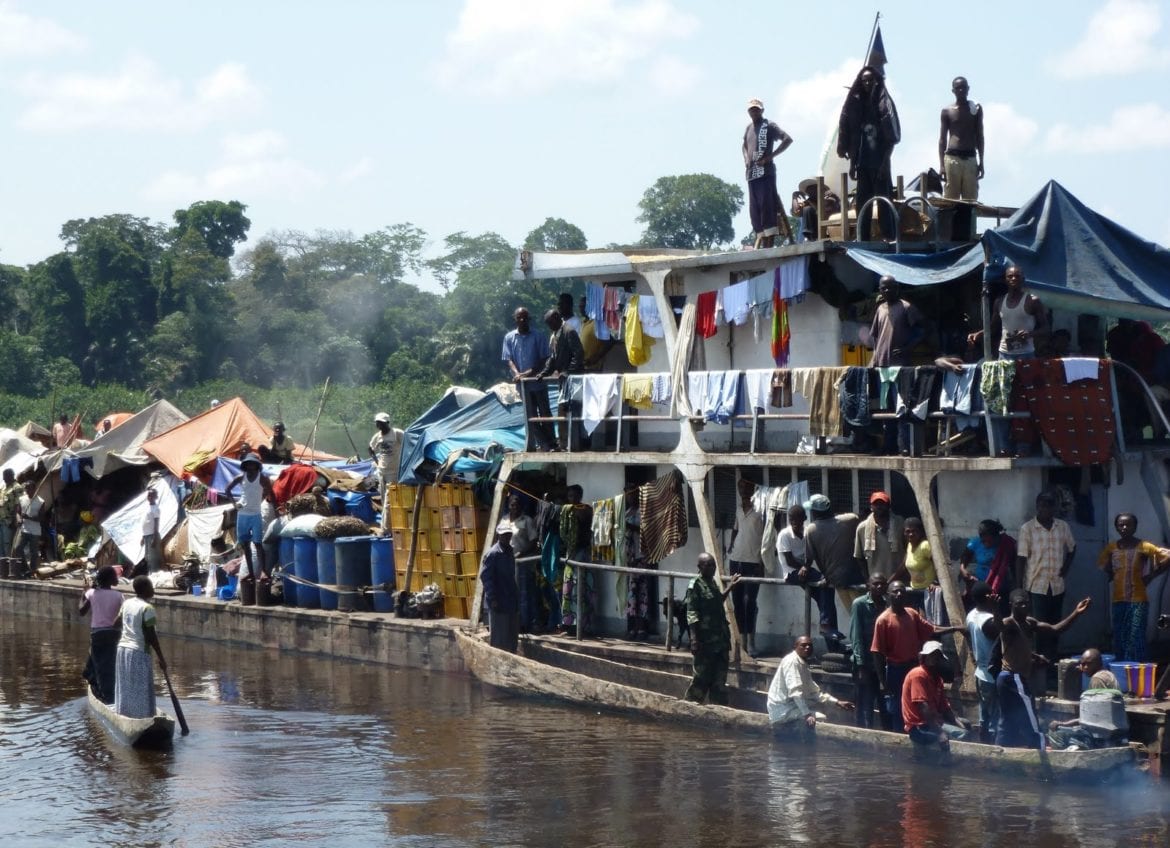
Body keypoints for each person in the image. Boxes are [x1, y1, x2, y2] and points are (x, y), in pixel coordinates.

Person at [993, 589, 1091, 748]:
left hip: (1009, 679)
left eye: (1026, 603)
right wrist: (994, 609)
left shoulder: (1029, 623)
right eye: (1019, 604)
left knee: (1007, 719)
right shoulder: (1009, 623)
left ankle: (1000, 751)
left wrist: (1076, 612)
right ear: (1011, 605)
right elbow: (999, 626)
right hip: (1013, 677)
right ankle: (1040, 749)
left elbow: (1055, 629)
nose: (1024, 606)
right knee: (1030, 716)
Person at [871, 580, 964, 732]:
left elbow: (931, 629)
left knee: (918, 705)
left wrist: (955, 628)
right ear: (888, 595)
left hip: (913, 666)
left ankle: (923, 738)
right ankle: (899, 739)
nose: (899, 594)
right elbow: (877, 653)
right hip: (896, 669)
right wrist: (882, 681)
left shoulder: (911, 614)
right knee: (898, 708)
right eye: (895, 591)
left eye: (902, 590)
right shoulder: (883, 620)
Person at [864, 276, 930, 453]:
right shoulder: (880, 309)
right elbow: (876, 337)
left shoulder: (906, 307)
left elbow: (922, 330)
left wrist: (907, 347)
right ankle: (888, 446)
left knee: (901, 406)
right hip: (882, 367)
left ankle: (905, 446)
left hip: (900, 367)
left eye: (890, 288)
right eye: (883, 288)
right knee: (886, 408)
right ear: (880, 290)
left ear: (897, 288)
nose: (887, 291)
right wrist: (873, 360)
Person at [837, 65, 900, 239]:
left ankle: (888, 236)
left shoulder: (884, 104)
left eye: (870, 80)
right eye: (864, 80)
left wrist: (884, 164)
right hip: (862, 163)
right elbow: (852, 137)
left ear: (877, 81)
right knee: (862, 203)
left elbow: (891, 139)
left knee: (883, 202)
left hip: (880, 162)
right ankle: (862, 236)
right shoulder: (858, 105)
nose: (867, 83)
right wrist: (852, 164)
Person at [1097, 512, 1170, 661]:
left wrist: (1151, 575)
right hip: (1118, 600)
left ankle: (1139, 669)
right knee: (1119, 634)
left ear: (1135, 527)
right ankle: (1122, 668)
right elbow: (1104, 564)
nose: (1124, 527)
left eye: (1128, 524)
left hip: (1138, 600)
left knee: (1136, 635)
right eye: (1120, 525)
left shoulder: (1144, 546)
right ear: (1116, 527)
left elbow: (1167, 556)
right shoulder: (1111, 548)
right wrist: (1113, 574)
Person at [1017, 491, 1076, 665]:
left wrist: (1066, 567)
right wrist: (1019, 588)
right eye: (1043, 505)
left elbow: (1072, 548)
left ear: (1055, 508)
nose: (1046, 509)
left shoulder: (1062, 526)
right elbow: (1021, 558)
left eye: (1050, 505)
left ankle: (1051, 661)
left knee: (1056, 625)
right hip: (1036, 586)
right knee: (1039, 627)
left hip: (1057, 586)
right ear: (1037, 507)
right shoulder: (1027, 528)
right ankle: (1039, 661)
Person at [683, 552, 739, 705]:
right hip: (705, 641)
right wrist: (694, 640)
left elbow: (717, 600)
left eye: (713, 564)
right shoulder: (695, 585)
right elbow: (692, 614)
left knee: (719, 679)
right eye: (708, 565)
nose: (712, 568)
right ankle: (690, 707)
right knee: (701, 678)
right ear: (699, 567)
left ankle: (719, 708)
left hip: (720, 640)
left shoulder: (712, 582)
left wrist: (730, 587)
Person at [1047, 648, 1128, 751]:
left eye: (1088, 664)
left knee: (1056, 733)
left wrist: (1061, 723)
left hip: (1099, 736)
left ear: (1098, 663)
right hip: (1116, 731)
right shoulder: (1109, 674)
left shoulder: (1096, 679)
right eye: (1083, 664)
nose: (1084, 667)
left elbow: (1091, 719)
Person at [767, 635, 854, 729]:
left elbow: (814, 693)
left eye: (809, 645)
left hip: (791, 705)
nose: (807, 647)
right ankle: (808, 742)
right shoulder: (792, 662)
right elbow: (795, 692)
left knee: (820, 706)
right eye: (803, 645)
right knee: (821, 718)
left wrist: (837, 702)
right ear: (795, 647)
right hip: (782, 709)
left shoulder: (802, 664)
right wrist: (807, 715)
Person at [113, 575, 169, 719]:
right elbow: (151, 637)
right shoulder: (147, 608)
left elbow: (116, 623)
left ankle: (125, 713)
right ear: (144, 589)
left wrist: (130, 629)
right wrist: (161, 658)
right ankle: (142, 718)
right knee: (141, 688)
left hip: (122, 649)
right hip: (138, 652)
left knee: (126, 686)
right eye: (151, 586)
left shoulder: (127, 603)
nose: (153, 589)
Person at [777, 502, 837, 634]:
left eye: (798, 519)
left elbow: (811, 555)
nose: (795, 522)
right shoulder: (784, 535)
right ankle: (826, 624)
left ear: (804, 519)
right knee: (825, 585)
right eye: (792, 520)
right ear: (789, 520)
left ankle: (832, 638)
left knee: (826, 601)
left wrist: (806, 566)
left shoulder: (807, 533)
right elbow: (789, 560)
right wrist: (804, 567)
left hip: (806, 571)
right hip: (792, 573)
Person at [803, 494, 863, 624]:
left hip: (835, 578)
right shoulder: (850, 519)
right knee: (865, 615)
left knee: (855, 616)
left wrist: (826, 575)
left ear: (815, 512)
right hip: (858, 576)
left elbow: (812, 558)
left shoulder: (811, 529)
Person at [969, 265, 1048, 362]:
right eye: (1010, 276)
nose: (1013, 278)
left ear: (1023, 279)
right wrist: (978, 334)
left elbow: (1046, 329)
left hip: (1026, 354)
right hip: (1004, 354)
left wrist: (1030, 334)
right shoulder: (999, 301)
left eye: (1017, 276)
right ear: (1005, 280)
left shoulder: (1032, 301)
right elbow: (993, 327)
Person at [742, 98, 793, 248]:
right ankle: (762, 241)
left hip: (765, 173)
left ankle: (769, 245)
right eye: (752, 109)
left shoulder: (769, 125)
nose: (754, 111)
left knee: (767, 207)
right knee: (755, 210)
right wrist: (746, 159)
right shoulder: (749, 128)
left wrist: (769, 157)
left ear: (762, 110)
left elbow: (787, 139)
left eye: (757, 109)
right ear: (748, 112)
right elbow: (744, 145)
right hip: (751, 174)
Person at [903, 641, 971, 749]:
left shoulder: (937, 678)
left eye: (937, 656)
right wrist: (940, 733)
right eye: (931, 656)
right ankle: (945, 762)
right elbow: (923, 707)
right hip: (920, 726)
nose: (934, 659)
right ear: (924, 657)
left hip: (935, 720)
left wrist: (959, 724)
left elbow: (945, 708)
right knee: (963, 735)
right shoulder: (918, 674)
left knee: (966, 724)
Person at [533, 309, 585, 451]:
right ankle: (564, 443)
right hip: (564, 380)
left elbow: (579, 354)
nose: (550, 327)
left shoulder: (569, 331)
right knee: (563, 411)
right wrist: (544, 372)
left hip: (573, 380)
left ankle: (573, 444)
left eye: (551, 323)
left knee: (572, 411)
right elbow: (553, 357)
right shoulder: (556, 333)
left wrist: (568, 371)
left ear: (557, 318)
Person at [504, 307, 554, 450]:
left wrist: (527, 374)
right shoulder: (509, 338)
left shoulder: (539, 336)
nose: (522, 320)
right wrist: (517, 374)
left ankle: (552, 442)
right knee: (530, 416)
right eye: (519, 317)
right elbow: (508, 359)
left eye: (525, 317)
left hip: (538, 383)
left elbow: (544, 359)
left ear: (529, 319)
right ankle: (544, 443)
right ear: (515, 319)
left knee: (545, 414)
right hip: (523, 386)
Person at [727, 478, 765, 657]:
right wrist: (731, 544)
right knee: (737, 602)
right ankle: (741, 641)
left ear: (752, 487)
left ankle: (751, 642)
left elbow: (768, 536)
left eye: (745, 486)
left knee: (750, 601)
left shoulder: (761, 510)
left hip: (753, 561)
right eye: (739, 487)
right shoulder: (738, 508)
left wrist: (763, 561)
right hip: (736, 560)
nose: (742, 490)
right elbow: (736, 528)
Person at [225, 453, 275, 581]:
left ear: (257, 466)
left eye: (253, 464)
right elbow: (227, 489)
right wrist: (234, 504)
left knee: (258, 544)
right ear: (245, 466)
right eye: (248, 464)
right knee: (245, 545)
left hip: (256, 514)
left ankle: (263, 571)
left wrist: (268, 501)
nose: (250, 467)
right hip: (242, 515)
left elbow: (270, 491)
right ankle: (251, 573)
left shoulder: (262, 478)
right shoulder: (241, 477)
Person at [849, 573, 889, 729]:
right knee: (865, 707)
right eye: (876, 584)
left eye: (882, 584)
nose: (879, 587)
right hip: (865, 663)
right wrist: (860, 665)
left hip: (883, 664)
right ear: (868, 586)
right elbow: (856, 636)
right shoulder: (859, 604)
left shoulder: (888, 604)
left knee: (885, 705)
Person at [79, 565, 123, 704]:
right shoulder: (119, 595)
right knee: (109, 663)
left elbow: (81, 611)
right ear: (111, 580)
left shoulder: (92, 593)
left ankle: (106, 697)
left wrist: (83, 593)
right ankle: (91, 677)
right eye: (115, 577)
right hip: (114, 633)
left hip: (98, 633)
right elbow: (121, 616)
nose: (117, 578)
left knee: (101, 665)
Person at [937, 76, 984, 202]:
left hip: (970, 159)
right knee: (950, 202)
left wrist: (982, 162)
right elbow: (942, 139)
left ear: (968, 89)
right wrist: (941, 165)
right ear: (953, 91)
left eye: (963, 88)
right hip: (952, 159)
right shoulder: (947, 111)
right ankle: (949, 222)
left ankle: (967, 222)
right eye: (958, 88)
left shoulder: (976, 110)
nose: (961, 91)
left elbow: (980, 136)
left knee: (970, 202)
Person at [964, 581, 1001, 742]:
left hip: (980, 672)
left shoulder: (971, 615)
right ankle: (992, 749)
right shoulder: (988, 621)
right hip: (991, 674)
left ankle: (983, 744)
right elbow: (1001, 633)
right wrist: (996, 609)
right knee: (994, 716)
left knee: (984, 715)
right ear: (988, 597)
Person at [959, 519, 1016, 612]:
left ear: (995, 535)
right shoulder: (976, 542)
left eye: (984, 536)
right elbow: (965, 556)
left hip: (1000, 590)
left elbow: (1013, 565)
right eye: (980, 536)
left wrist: (1016, 584)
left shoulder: (1006, 545)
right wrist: (963, 569)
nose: (982, 539)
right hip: (981, 589)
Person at [480, 520, 520, 653]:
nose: (507, 537)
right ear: (499, 536)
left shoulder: (509, 552)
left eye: (509, 534)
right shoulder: (493, 554)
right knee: (499, 638)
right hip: (498, 601)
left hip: (510, 599)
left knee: (512, 635)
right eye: (504, 535)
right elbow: (486, 577)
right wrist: (492, 599)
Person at [506, 495, 541, 634]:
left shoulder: (527, 521)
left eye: (517, 505)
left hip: (524, 562)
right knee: (511, 594)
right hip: (508, 563)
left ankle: (526, 624)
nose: (514, 507)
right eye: (512, 505)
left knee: (525, 593)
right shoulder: (504, 521)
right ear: (508, 506)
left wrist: (521, 553)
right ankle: (513, 622)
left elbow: (534, 542)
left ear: (521, 506)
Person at [853, 490, 905, 581]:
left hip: (899, 580)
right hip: (876, 583)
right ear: (871, 507)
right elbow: (859, 557)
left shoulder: (900, 523)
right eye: (876, 504)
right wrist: (868, 580)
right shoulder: (862, 528)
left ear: (888, 506)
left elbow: (910, 551)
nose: (879, 507)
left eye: (882, 504)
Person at [893, 517, 935, 612]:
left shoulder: (925, 546)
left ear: (920, 532)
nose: (910, 534)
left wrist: (935, 582)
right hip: (914, 591)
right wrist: (888, 582)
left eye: (914, 531)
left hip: (928, 593)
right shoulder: (909, 545)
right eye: (908, 531)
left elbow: (938, 565)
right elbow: (903, 566)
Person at [792, 177, 841, 242]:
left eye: (812, 189)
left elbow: (823, 214)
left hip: (831, 231)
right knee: (807, 209)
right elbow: (796, 213)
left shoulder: (830, 198)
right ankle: (810, 237)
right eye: (808, 191)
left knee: (808, 209)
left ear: (820, 189)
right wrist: (794, 197)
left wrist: (810, 202)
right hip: (816, 234)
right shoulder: (809, 202)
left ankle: (811, 237)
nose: (809, 193)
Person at [369, 412, 400, 502]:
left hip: (394, 472)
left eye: (381, 423)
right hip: (382, 471)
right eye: (377, 422)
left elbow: (408, 445)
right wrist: (377, 462)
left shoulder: (396, 433)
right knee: (383, 497)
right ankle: (385, 514)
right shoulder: (377, 436)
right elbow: (370, 449)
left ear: (387, 423)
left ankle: (392, 515)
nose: (379, 425)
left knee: (393, 497)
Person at [17, 480, 45, 577]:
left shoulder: (41, 502)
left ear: (34, 489)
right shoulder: (21, 499)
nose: (27, 490)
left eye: (29, 488)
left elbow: (41, 518)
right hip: (24, 529)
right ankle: (24, 568)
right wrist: (19, 519)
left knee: (34, 552)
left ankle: (32, 571)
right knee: (18, 548)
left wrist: (28, 517)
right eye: (26, 488)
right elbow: (17, 512)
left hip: (35, 531)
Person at [0, 469, 21, 558]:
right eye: (3, 476)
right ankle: (2, 566)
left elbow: (18, 505)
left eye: (5, 476)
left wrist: (14, 520)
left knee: (8, 544)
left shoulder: (17, 487)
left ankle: (9, 565)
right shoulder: (4, 487)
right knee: (1, 544)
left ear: (11, 475)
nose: (3, 478)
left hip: (9, 521)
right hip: (1, 520)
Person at [141, 489, 163, 572]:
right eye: (148, 495)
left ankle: (154, 574)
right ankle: (151, 574)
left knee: (153, 558)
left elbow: (156, 524)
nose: (149, 497)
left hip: (152, 536)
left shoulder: (156, 509)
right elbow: (146, 522)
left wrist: (155, 537)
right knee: (148, 557)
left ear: (156, 497)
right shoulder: (147, 507)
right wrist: (143, 537)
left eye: (151, 495)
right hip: (146, 535)